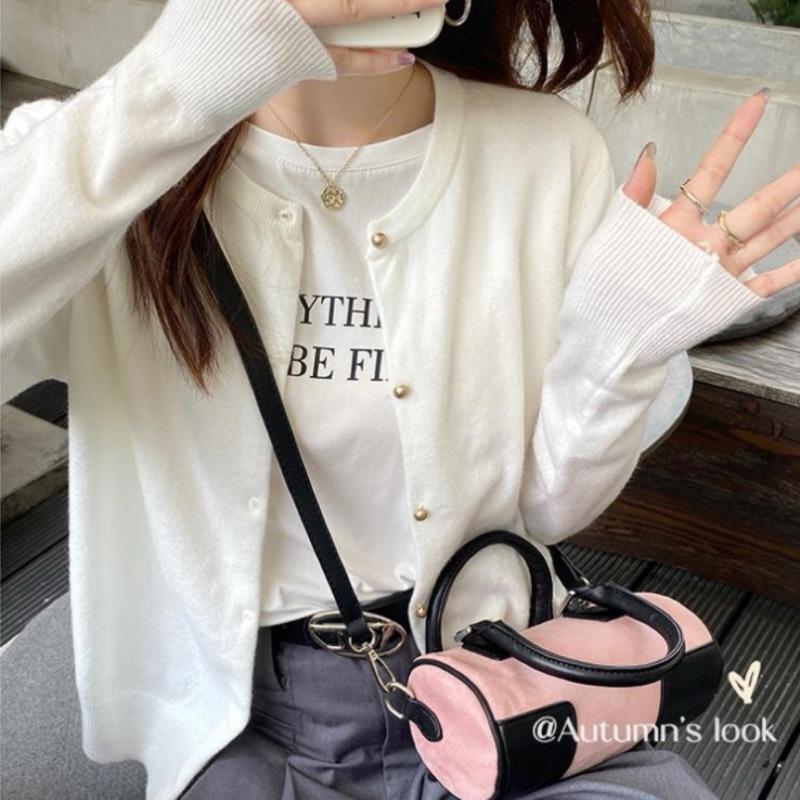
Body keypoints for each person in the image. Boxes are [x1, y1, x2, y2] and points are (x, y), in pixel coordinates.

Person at [1, 0, 797, 798]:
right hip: (242, 720)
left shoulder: (544, 154)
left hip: (502, 678)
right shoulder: (105, 159)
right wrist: (174, 86)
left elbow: (548, 509)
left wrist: (618, 345)